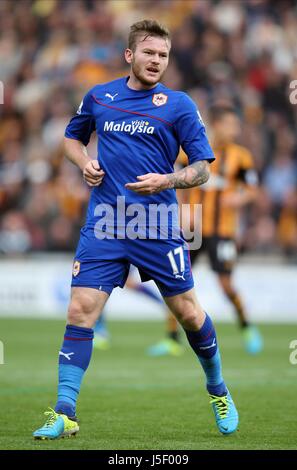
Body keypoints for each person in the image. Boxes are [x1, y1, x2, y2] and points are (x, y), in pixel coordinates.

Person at [33, 20, 238, 439]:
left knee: (188, 314)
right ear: (130, 55)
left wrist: (166, 180)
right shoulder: (100, 96)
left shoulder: (179, 105)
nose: (156, 61)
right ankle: (64, 412)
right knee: (80, 310)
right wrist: (83, 162)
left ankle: (217, 388)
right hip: (105, 223)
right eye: (149, 53)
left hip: (157, 225)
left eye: (163, 55)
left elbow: (201, 169)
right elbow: (72, 140)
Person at [149, 106, 263, 356]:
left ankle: (246, 326)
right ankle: (171, 339)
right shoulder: (193, 150)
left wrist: (238, 199)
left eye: (236, 125)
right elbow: (172, 178)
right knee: (174, 280)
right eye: (230, 124)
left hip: (223, 231)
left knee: (226, 285)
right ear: (218, 124)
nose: (234, 130)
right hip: (192, 229)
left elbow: (252, 190)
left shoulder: (240, 157)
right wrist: (180, 209)